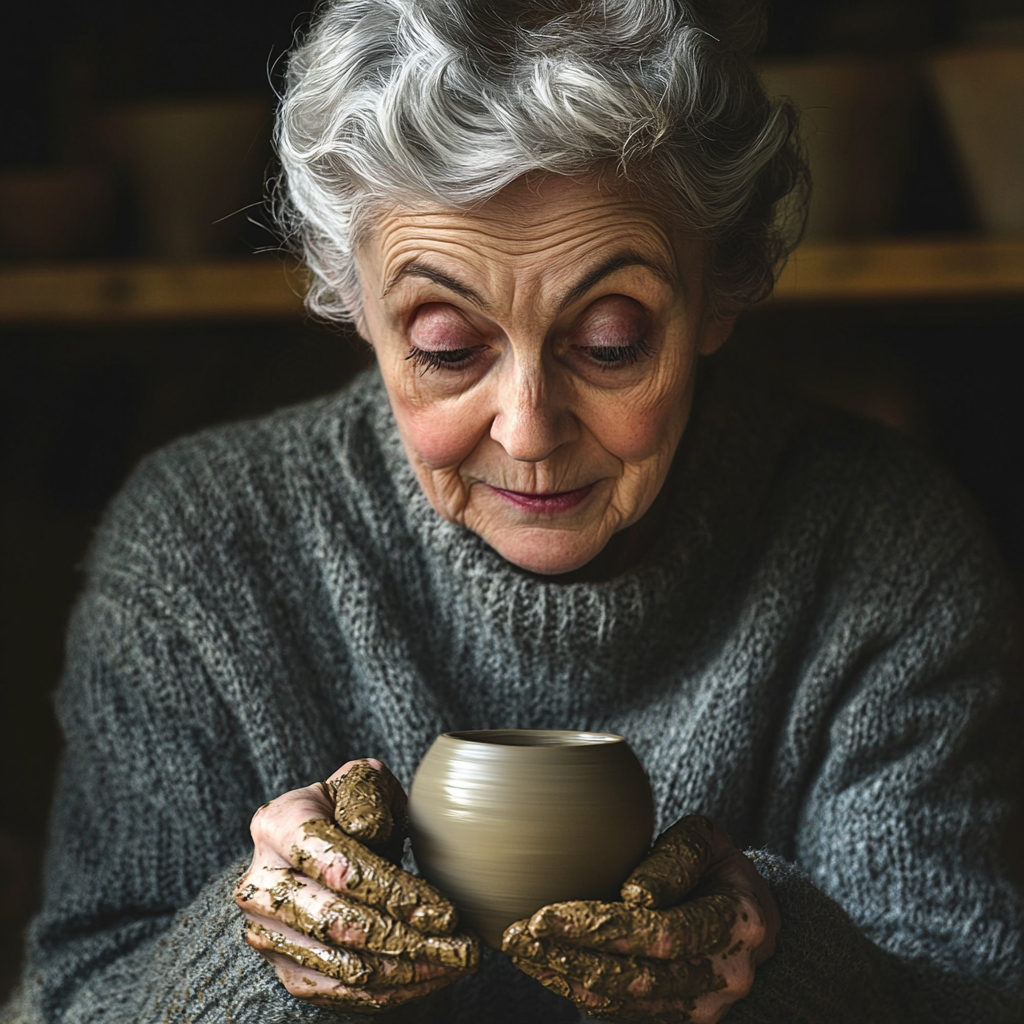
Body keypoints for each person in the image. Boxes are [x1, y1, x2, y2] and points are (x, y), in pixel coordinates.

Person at [5, 0, 1022, 1021]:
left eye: (611, 340)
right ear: (349, 296)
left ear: (723, 287)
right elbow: (73, 1002)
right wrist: (259, 948)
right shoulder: (201, 544)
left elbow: (972, 994)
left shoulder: (882, 546)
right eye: (448, 347)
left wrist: (780, 955)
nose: (529, 430)